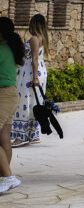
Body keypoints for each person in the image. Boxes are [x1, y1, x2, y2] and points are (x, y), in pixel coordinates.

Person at [11, 14, 47, 147]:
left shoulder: (34, 39)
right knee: (34, 103)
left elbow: (34, 59)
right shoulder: (42, 38)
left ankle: (21, 137)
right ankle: (33, 135)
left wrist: (34, 78)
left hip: (31, 74)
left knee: (23, 102)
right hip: (38, 72)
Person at [0, 16, 26, 193]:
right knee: (4, 139)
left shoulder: (1, 49)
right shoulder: (10, 46)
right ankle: (4, 177)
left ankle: (8, 177)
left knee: (4, 139)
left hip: (3, 95)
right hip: (10, 94)